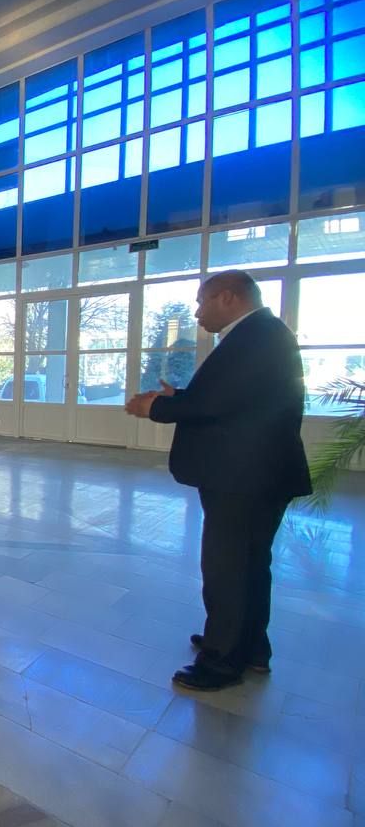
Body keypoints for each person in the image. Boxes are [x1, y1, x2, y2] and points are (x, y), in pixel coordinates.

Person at [126, 270, 311, 692]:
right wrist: (179, 399)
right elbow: (233, 400)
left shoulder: (255, 337)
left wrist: (156, 408)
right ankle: (250, 646)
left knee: (228, 567)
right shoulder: (263, 334)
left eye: (201, 301)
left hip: (243, 476)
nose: (197, 312)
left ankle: (222, 659)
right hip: (254, 474)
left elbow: (216, 403)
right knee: (249, 564)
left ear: (227, 298)